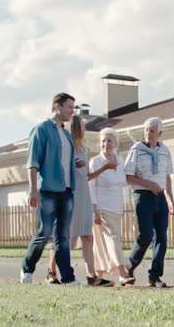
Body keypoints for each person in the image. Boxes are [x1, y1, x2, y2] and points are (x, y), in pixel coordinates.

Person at [45, 115, 113, 286]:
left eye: (81, 125)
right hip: (68, 196)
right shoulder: (63, 149)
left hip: (84, 196)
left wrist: (104, 167)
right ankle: (51, 273)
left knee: (87, 236)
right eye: (78, 126)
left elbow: (86, 177)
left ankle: (92, 276)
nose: (80, 129)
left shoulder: (86, 150)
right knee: (63, 236)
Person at [21, 93, 78, 284]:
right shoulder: (41, 130)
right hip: (47, 190)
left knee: (62, 237)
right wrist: (32, 189)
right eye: (69, 107)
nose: (72, 111)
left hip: (67, 190)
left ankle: (68, 278)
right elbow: (33, 162)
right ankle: (27, 269)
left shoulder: (67, 134)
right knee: (44, 233)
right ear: (57, 106)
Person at [124, 117, 174, 288]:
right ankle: (129, 266)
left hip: (160, 197)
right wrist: (148, 184)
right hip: (142, 196)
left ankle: (155, 276)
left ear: (160, 133)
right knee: (146, 235)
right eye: (146, 130)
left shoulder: (165, 151)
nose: (148, 133)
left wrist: (170, 200)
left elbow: (167, 177)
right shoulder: (136, 150)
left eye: (152, 131)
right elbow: (127, 176)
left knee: (161, 237)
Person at [89, 127, 136, 286]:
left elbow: (122, 181)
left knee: (103, 242)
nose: (106, 144)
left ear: (115, 143)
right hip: (101, 207)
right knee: (112, 240)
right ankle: (123, 273)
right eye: (103, 141)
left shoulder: (119, 160)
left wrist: (136, 176)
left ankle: (98, 275)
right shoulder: (96, 161)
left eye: (109, 140)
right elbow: (91, 185)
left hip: (116, 207)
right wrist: (94, 209)